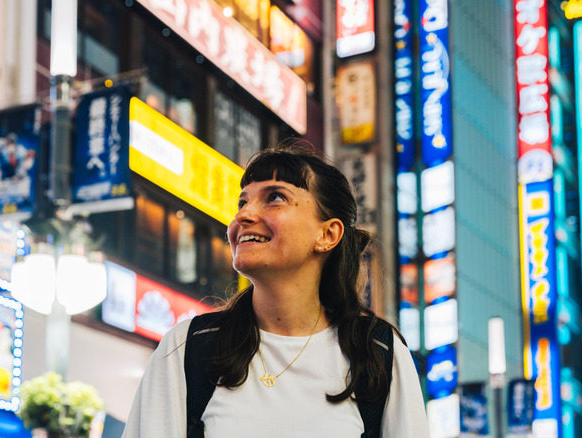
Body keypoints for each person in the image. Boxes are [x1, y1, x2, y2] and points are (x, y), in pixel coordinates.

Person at [122, 143, 429, 437]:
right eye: (243, 202)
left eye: (275, 198)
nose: (243, 215)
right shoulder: (186, 347)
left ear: (328, 233)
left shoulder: (377, 352)